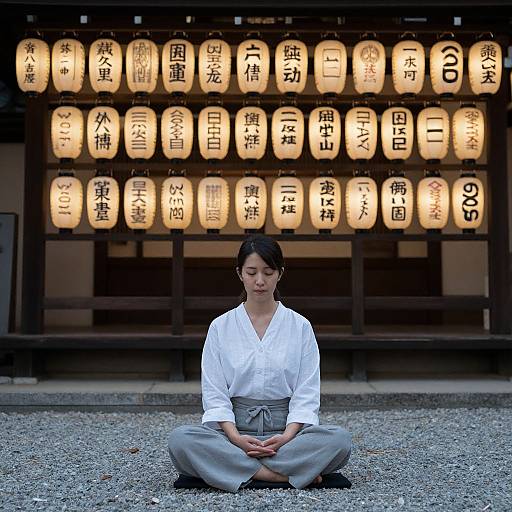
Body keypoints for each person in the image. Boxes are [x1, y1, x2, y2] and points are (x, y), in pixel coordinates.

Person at [168, 234, 352, 493]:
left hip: (286, 432)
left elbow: (306, 392)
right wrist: (235, 438)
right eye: (251, 272)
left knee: (339, 441)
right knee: (181, 440)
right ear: (239, 273)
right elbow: (215, 394)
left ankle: (234, 470)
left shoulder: (300, 326)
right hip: (234, 431)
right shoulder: (221, 326)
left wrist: (287, 436)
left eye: (268, 272)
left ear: (280, 273)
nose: (260, 281)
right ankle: (278, 475)